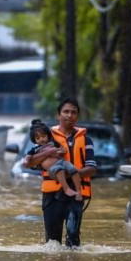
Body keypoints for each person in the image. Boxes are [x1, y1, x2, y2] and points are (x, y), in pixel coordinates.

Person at [23, 98, 97, 247]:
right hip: (52, 196)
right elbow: (30, 163)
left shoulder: (86, 140)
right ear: (58, 115)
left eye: (73, 112)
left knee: (73, 237)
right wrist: (49, 152)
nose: (69, 115)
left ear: (78, 116)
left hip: (77, 194)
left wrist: (68, 174)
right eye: (66, 112)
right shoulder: (45, 137)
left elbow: (92, 168)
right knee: (52, 242)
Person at [27, 120, 83, 201]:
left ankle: (79, 192)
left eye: (43, 136)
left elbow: (62, 150)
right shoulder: (35, 149)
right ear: (34, 140)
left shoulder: (53, 143)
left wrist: (61, 151)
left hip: (62, 162)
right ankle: (66, 189)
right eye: (38, 138)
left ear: (48, 135)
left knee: (73, 170)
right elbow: (28, 158)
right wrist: (28, 158)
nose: (41, 139)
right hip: (53, 168)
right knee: (59, 170)